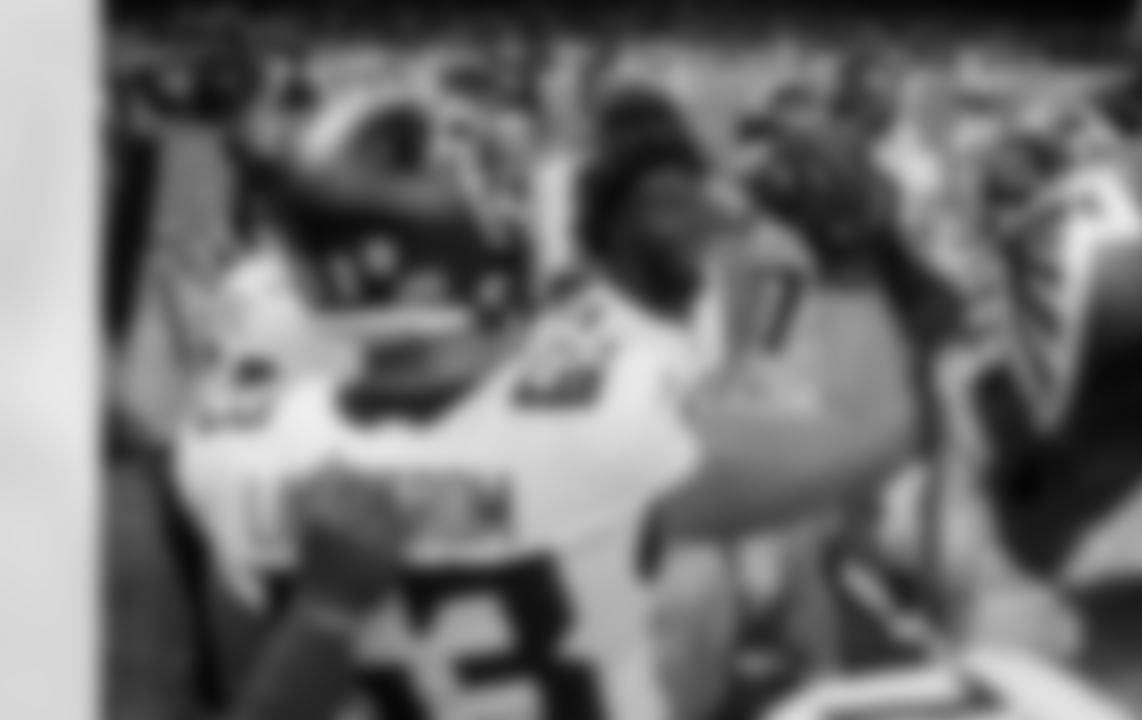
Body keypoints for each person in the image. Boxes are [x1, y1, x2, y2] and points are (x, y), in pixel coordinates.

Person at [167, 80, 922, 720]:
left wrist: (325, 614)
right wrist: (849, 253)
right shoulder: (599, 420)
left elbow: (252, 693)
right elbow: (871, 430)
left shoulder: (233, 449)